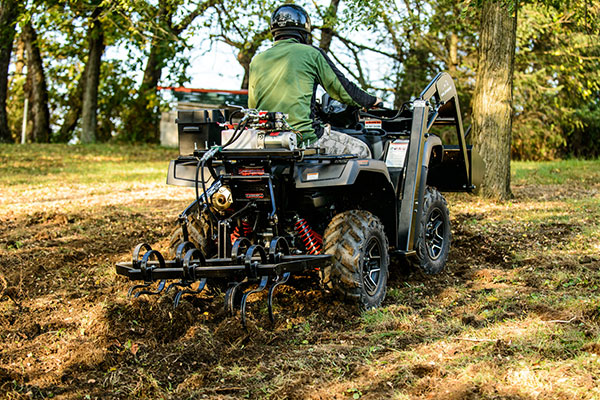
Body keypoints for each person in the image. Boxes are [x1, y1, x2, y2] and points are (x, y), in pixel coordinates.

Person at [248, 4, 382, 158]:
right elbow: (342, 89)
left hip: (267, 143)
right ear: (303, 31)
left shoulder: (257, 61)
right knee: (361, 150)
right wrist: (371, 101)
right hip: (305, 139)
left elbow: (253, 108)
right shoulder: (311, 54)